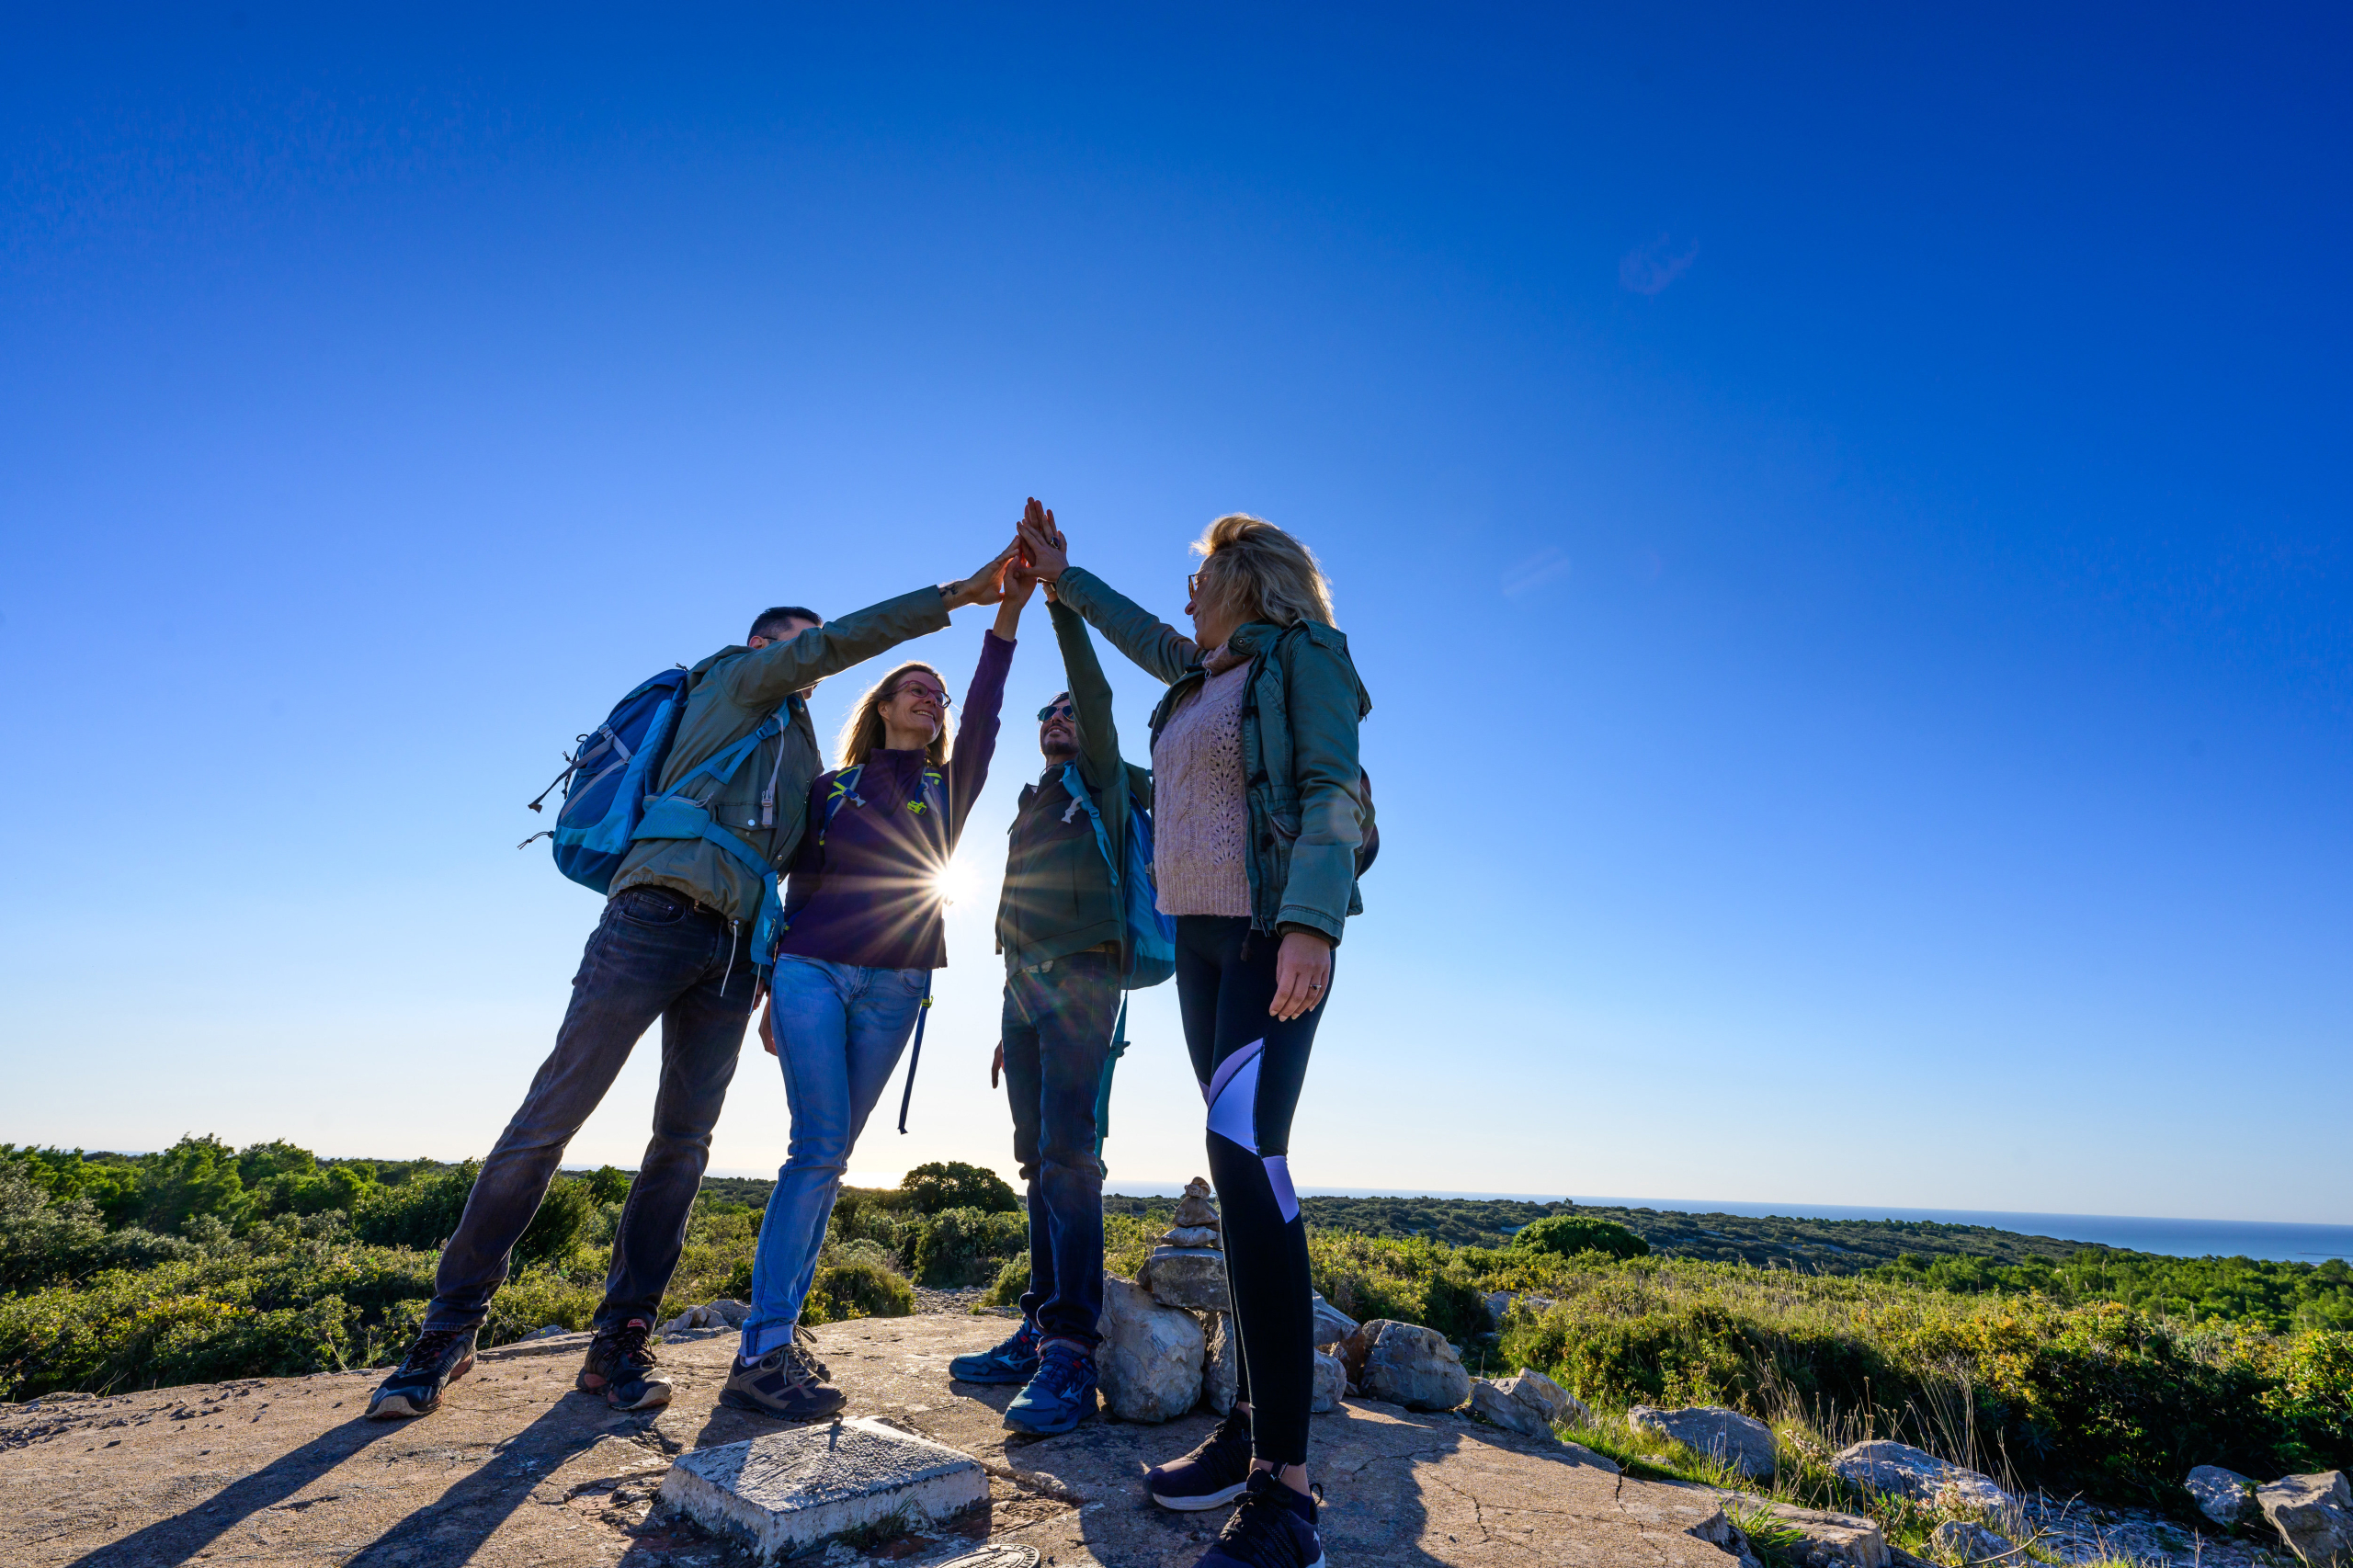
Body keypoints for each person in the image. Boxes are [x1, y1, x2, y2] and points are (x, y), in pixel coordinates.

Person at [367, 540, 1021, 1422]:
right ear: (761, 648)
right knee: (550, 1119)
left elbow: (805, 872)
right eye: (794, 647)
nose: (805, 663)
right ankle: (446, 1334)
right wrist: (963, 594)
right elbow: (823, 661)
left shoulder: (803, 762)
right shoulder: (731, 682)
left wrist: (769, 970)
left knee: (683, 1146)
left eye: (809, 657)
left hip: (735, 954)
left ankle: (620, 1341)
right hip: (651, 922)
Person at [1016, 507, 1369, 1568]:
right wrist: (1065, 582)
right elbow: (1138, 632)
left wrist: (1310, 922)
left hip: (1270, 935)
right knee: (1231, 1160)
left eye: (1200, 578)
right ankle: (1249, 1434)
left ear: (1246, 582)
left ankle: (1287, 1497)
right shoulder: (1195, 675)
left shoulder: (1304, 654)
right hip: (1205, 944)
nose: (1185, 597)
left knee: (1250, 1163)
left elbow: (1331, 788)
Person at [719, 562, 1029, 1419]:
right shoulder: (831, 789)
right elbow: (798, 890)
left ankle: (773, 1337)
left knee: (830, 1158)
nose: (933, 699)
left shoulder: (949, 787)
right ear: (885, 707)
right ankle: (767, 1344)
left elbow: (992, 707)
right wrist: (774, 990)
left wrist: (1007, 613)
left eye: (939, 693)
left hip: (897, 988)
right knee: (815, 1148)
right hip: (812, 970)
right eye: (917, 689)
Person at [948, 501, 1153, 1435]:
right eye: (1051, 714)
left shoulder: (1101, 784)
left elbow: (1095, 693)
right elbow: (1017, 915)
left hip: (1085, 982)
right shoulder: (1033, 800)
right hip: (1024, 992)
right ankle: (1038, 1328)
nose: (1061, 718)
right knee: (1038, 1162)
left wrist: (1060, 592)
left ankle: (1071, 1348)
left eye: (1070, 712)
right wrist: (1004, 1018)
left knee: (1071, 1158)